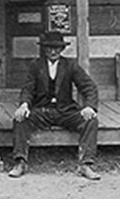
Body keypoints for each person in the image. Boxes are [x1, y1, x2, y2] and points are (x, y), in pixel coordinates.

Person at [9, 30, 101, 180]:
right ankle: (20, 162)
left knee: (91, 120)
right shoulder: (35, 66)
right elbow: (28, 88)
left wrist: (89, 106)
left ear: (62, 49)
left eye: (56, 48)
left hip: (65, 111)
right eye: (49, 48)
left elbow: (89, 87)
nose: (53, 51)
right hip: (42, 111)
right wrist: (24, 105)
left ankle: (86, 165)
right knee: (20, 119)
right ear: (44, 49)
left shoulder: (70, 65)